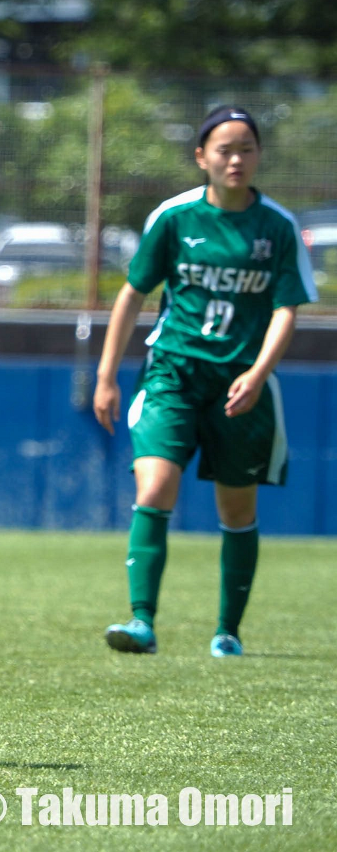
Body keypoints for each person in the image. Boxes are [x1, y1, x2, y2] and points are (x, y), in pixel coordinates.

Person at [93, 105, 318, 657]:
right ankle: (141, 621)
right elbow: (133, 293)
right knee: (154, 487)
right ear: (201, 157)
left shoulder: (277, 226)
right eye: (224, 149)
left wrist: (258, 373)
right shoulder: (174, 217)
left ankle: (227, 633)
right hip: (173, 371)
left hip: (241, 384)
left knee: (236, 510)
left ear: (259, 156)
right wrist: (105, 375)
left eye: (246, 149)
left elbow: (286, 309)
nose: (236, 159)